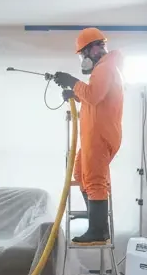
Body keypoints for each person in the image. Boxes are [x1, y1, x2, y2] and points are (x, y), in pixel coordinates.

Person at [52, 27, 124, 243]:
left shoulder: (104, 68)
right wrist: (74, 94)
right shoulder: (103, 69)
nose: (83, 58)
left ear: (94, 48)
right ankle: (96, 220)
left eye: (83, 53)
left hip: (100, 135)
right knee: (80, 173)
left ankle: (99, 230)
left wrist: (73, 82)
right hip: (94, 135)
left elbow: (93, 96)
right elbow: (97, 100)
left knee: (94, 180)